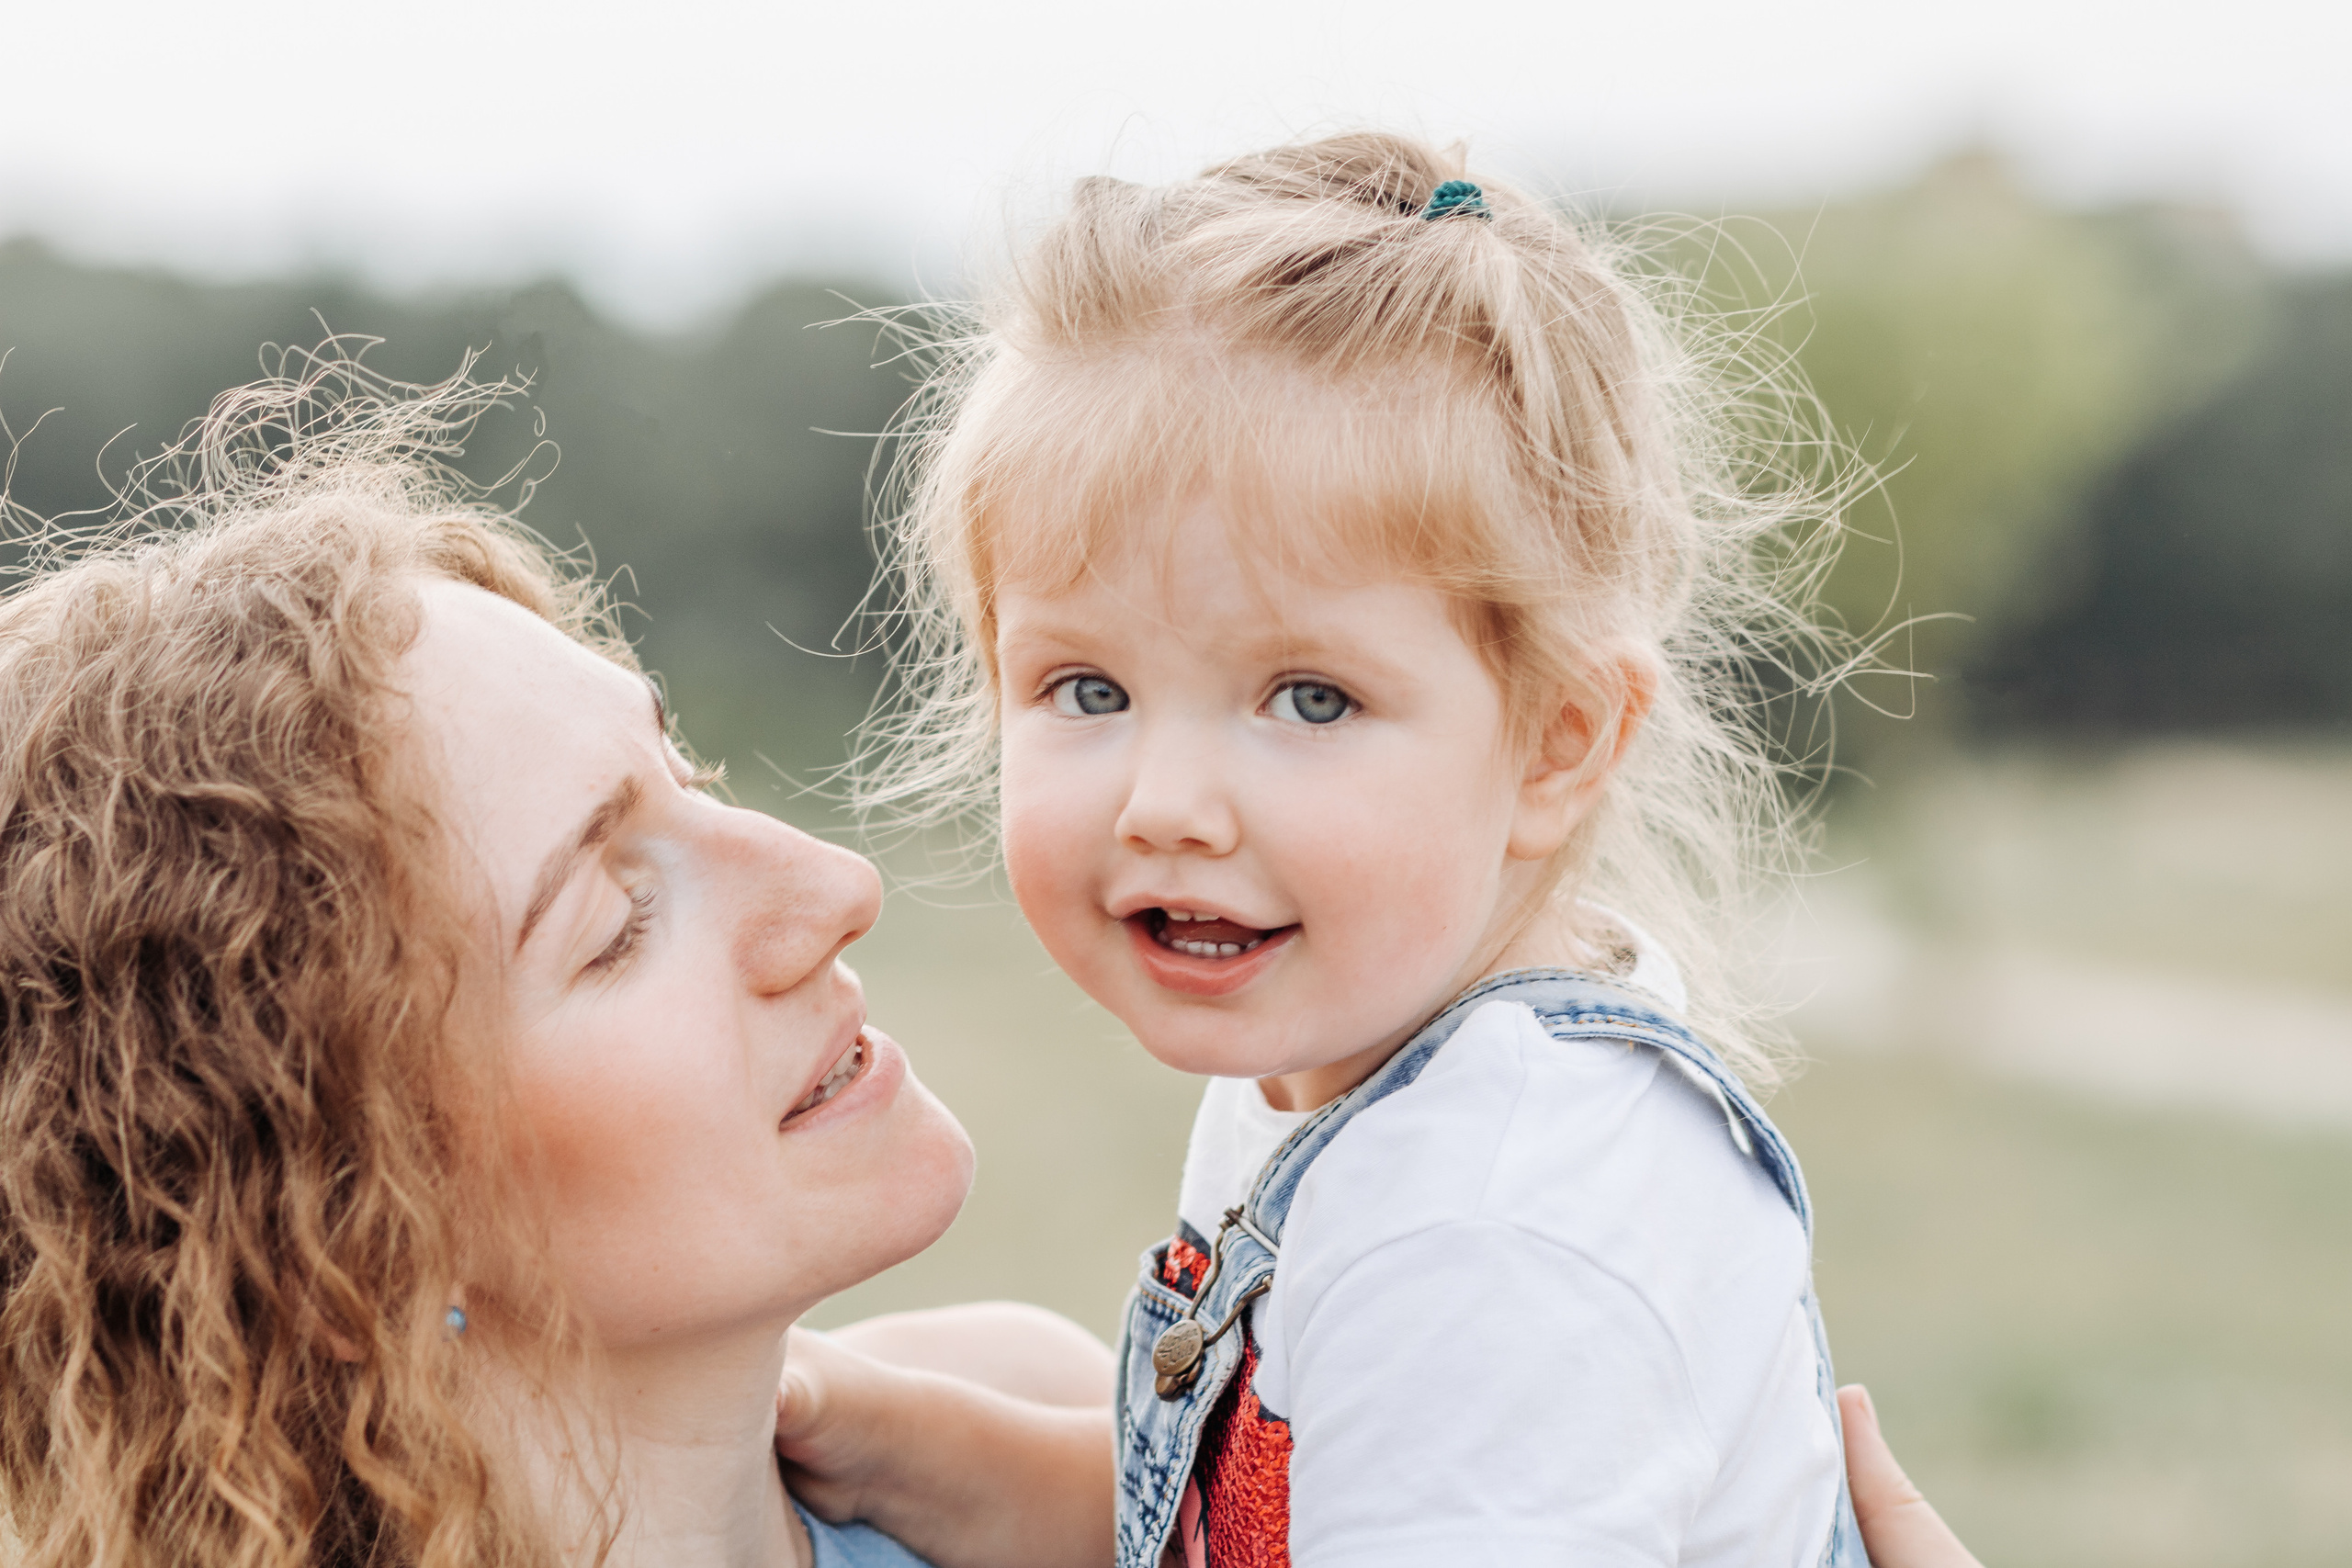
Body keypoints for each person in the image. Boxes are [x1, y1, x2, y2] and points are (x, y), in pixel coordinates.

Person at [785, 130, 1878, 1567]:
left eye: (1309, 700)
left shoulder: (1492, 1228)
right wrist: (883, 1439)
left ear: (1554, 746)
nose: (1166, 804)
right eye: (1088, 690)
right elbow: (1231, 1527)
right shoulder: (1361, 1068)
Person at [0, 360, 1102, 1568]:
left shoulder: (1065, 1460)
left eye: (693, 773)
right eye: (619, 920)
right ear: (340, 1249)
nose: (837, 889)